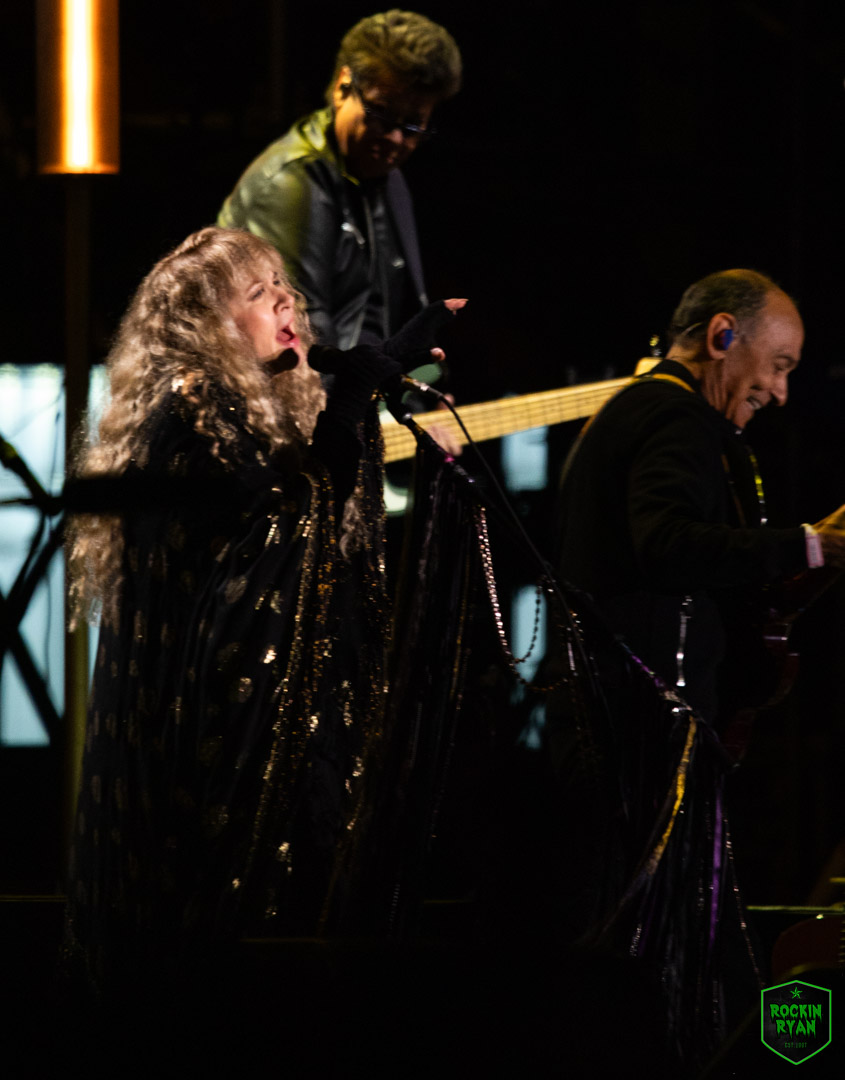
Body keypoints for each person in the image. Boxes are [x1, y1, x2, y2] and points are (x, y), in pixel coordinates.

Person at [62, 226, 461, 996]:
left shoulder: (255, 407)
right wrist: (350, 402)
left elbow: (313, 526)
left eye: (283, 285)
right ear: (206, 327)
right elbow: (273, 537)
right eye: (257, 292)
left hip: (280, 740)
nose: (286, 302)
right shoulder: (191, 405)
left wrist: (358, 394)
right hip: (218, 765)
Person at [557, 268, 845, 723]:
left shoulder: (639, 409)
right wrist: (811, 545)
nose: (780, 393)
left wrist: (813, 548)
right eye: (779, 366)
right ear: (721, 336)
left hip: (617, 711)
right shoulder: (676, 415)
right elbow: (670, 547)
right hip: (642, 724)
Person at [218, 10, 462, 351]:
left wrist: (420, 376)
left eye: (412, 126)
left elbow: (399, 320)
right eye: (381, 114)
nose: (394, 139)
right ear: (343, 86)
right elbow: (304, 345)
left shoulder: (389, 180)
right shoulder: (290, 184)